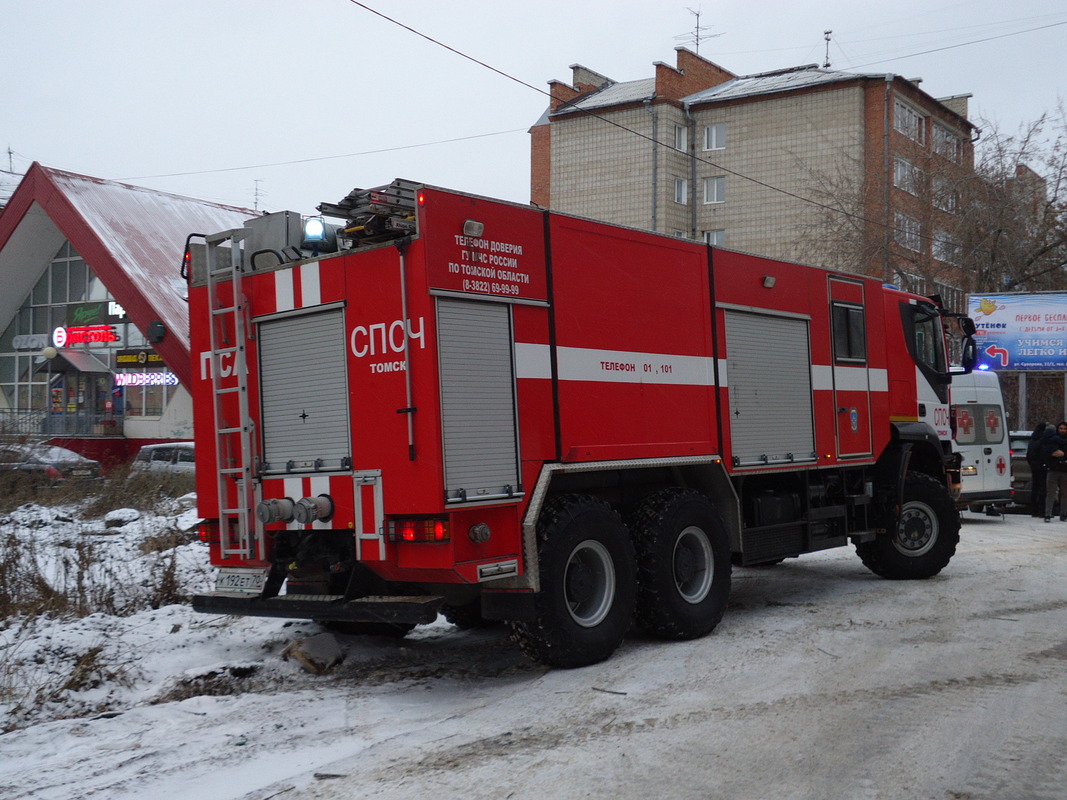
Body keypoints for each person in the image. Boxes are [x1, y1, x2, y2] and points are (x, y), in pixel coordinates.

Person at [1043, 421, 1067, 522]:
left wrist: (1064, 454)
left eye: (1064, 429)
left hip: (1065, 470)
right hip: (1053, 469)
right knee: (1050, 493)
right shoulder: (1050, 440)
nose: (1062, 430)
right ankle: (1048, 514)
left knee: (1065, 494)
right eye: (1061, 428)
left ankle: (1064, 514)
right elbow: (1045, 452)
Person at [1027, 422, 1049, 517]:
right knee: (1042, 489)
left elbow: (1029, 455)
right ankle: (1041, 511)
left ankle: (1034, 510)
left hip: (1034, 467)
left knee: (1035, 488)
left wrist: (1033, 464)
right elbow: (1045, 453)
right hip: (1042, 467)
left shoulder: (1032, 439)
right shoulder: (1043, 440)